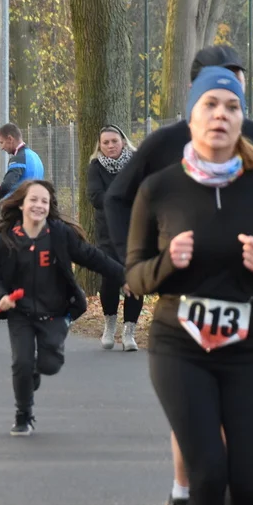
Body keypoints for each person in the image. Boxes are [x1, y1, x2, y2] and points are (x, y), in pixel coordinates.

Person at [105, 44, 253, 505]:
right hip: (184, 306)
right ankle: (184, 496)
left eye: (235, 94)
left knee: (242, 452)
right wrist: (141, 263)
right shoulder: (165, 147)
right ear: (194, 98)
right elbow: (119, 199)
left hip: (249, 313)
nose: (226, 105)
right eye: (214, 95)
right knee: (197, 422)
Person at [0, 179, 126, 436]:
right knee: (21, 363)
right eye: (33, 200)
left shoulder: (59, 234)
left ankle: (35, 372)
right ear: (22, 204)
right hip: (20, 313)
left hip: (56, 312)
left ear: (50, 207)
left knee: (50, 365)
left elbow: (93, 257)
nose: (38, 205)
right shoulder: (6, 240)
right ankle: (23, 414)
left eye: (44, 201)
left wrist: (124, 277)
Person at [87, 124, 144, 351]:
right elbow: (95, 196)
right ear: (100, 146)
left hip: (136, 232)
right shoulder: (96, 167)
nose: (111, 146)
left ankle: (129, 331)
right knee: (110, 279)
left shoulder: (137, 163)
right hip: (108, 234)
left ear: (123, 141)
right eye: (106, 142)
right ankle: (110, 325)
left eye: (114, 141)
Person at [0, 123, 44, 208]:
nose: (1, 147)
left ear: (10, 139)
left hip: (20, 208)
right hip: (35, 205)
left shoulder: (18, 158)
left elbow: (7, 185)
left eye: (2, 142)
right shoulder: (35, 156)